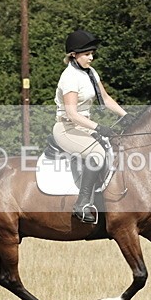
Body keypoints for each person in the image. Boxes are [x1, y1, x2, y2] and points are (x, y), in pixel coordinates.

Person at [53, 30, 131, 223]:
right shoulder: (69, 77)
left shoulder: (90, 72)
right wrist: (98, 127)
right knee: (97, 154)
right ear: (74, 55)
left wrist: (125, 115)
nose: (91, 58)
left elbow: (105, 98)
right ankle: (82, 204)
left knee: (117, 148)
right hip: (67, 128)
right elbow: (72, 113)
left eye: (92, 53)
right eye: (87, 54)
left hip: (84, 126)